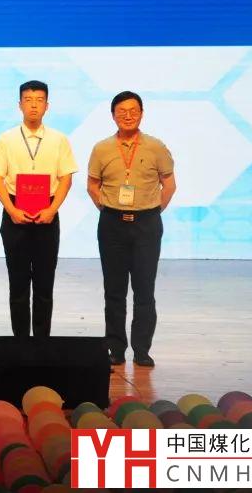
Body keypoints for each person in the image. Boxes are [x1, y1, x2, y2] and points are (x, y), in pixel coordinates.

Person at [87, 91, 176, 368]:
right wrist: (109, 209)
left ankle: (142, 350)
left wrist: (151, 211)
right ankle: (115, 349)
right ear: (113, 115)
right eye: (122, 111)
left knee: (144, 289)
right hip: (112, 224)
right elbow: (92, 185)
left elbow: (169, 184)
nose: (128, 115)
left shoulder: (156, 147)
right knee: (114, 290)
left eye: (133, 110)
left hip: (147, 225)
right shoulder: (101, 149)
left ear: (142, 113)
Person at [0, 80, 77, 337]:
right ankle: (20, 343)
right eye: (28, 100)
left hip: (48, 214)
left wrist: (52, 209)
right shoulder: (6, 139)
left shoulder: (59, 140)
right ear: (20, 105)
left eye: (39, 100)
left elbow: (66, 178)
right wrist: (12, 210)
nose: (34, 105)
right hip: (15, 213)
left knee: (44, 284)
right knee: (18, 284)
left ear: (47, 106)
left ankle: (42, 342)